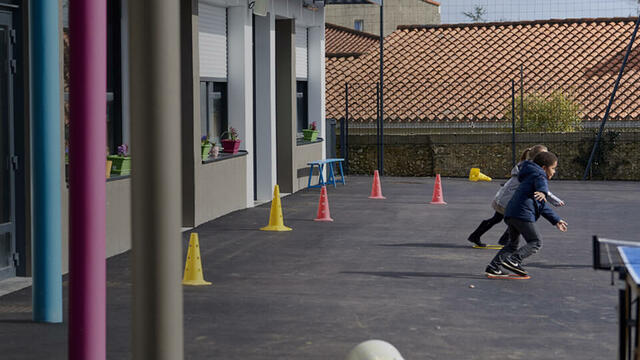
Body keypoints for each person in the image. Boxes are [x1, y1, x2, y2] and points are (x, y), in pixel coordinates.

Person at [485, 151, 568, 278]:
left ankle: (493, 267)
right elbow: (542, 185)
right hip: (522, 214)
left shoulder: (529, 175)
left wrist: (556, 220)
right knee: (535, 242)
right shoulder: (539, 175)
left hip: (511, 213)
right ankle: (514, 260)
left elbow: (541, 205)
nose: (554, 172)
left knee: (512, 244)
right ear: (544, 168)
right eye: (553, 168)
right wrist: (543, 192)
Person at [467, 145, 565, 248]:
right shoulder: (534, 170)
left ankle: (478, 236)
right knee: (516, 219)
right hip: (508, 199)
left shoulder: (526, 165)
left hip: (505, 196)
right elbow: (541, 189)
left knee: (499, 218)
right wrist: (556, 201)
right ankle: (504, 241)